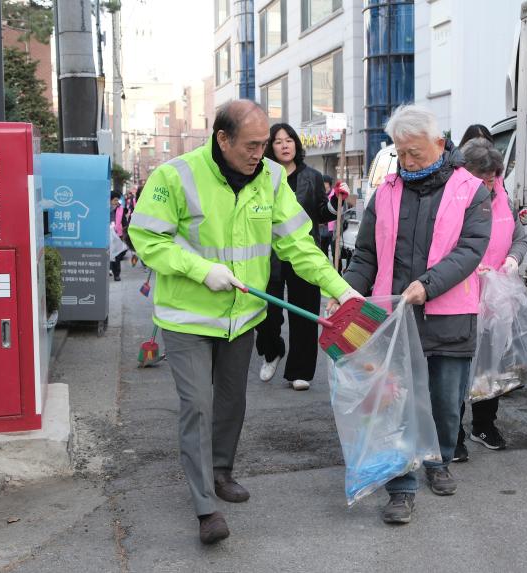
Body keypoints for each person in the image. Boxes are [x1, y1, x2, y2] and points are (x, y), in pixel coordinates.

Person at [128, 100, 361, 544]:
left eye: (264, 144)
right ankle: (204, 507)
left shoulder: (272, 179)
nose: (261, 153)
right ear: (222, 139)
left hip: (242, 316)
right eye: (252, 145)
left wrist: (338, 286)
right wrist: (201, 270)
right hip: (188, 315)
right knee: (198, 404)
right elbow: (147, 238)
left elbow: (298, 242)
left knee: (232, 402)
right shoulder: (175, 175)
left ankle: (221, 471)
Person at [337, 105, 491, 525]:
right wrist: (348, 291)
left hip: (449, 313)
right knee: (395, 403)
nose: (407, 162)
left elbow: (470, 250)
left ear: (440, 145)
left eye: (415, 153)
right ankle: (401, 487)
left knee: (445, 401)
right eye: (400, 153)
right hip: (395, 317)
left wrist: (430, 283)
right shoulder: (385, 191)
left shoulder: (471, 190)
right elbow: (366, 252)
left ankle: (438, 460)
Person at [254, 123, 351, 391]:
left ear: (296, 144)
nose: (285, 145)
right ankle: (272, 351)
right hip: (270, 255)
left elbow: (322, 213)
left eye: (289, 140)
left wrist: (336, 201)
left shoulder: (313, 177)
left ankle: (300, 370)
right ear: (269, 148)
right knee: (267, 313)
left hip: (303, 250)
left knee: (305, 314)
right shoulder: (263, 177)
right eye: (278, 141)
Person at [453, 137, 527, 462]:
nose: (488, 184)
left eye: (492, 178)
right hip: (461, 293)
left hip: (497, 295)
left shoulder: (502, 197)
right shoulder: (453, 197)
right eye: (481, 178)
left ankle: (484, 424)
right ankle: (451, 431)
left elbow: (519, 237)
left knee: (491, 364)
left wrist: (512, 259)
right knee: (456, 365)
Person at [109, 191, 128, 281]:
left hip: (118, 235)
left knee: (117, 255)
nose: (117, 202)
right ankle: (110, 269)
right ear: (110, 200)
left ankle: (117, 274)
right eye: (115, 200)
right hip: (108, 235)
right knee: (109, 254)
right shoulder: (106, 209)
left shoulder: (120, 209)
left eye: (118, 200)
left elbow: (124, 220)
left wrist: (127, 231)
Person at [319, 174, 335, 256]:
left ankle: (337, 269)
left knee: (335, 252)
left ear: (328, 184)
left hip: (333, 229)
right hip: (322, 229)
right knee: (323, 252)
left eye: (324, 182)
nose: (322, 184)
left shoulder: (335, 195)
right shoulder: (320, 194)